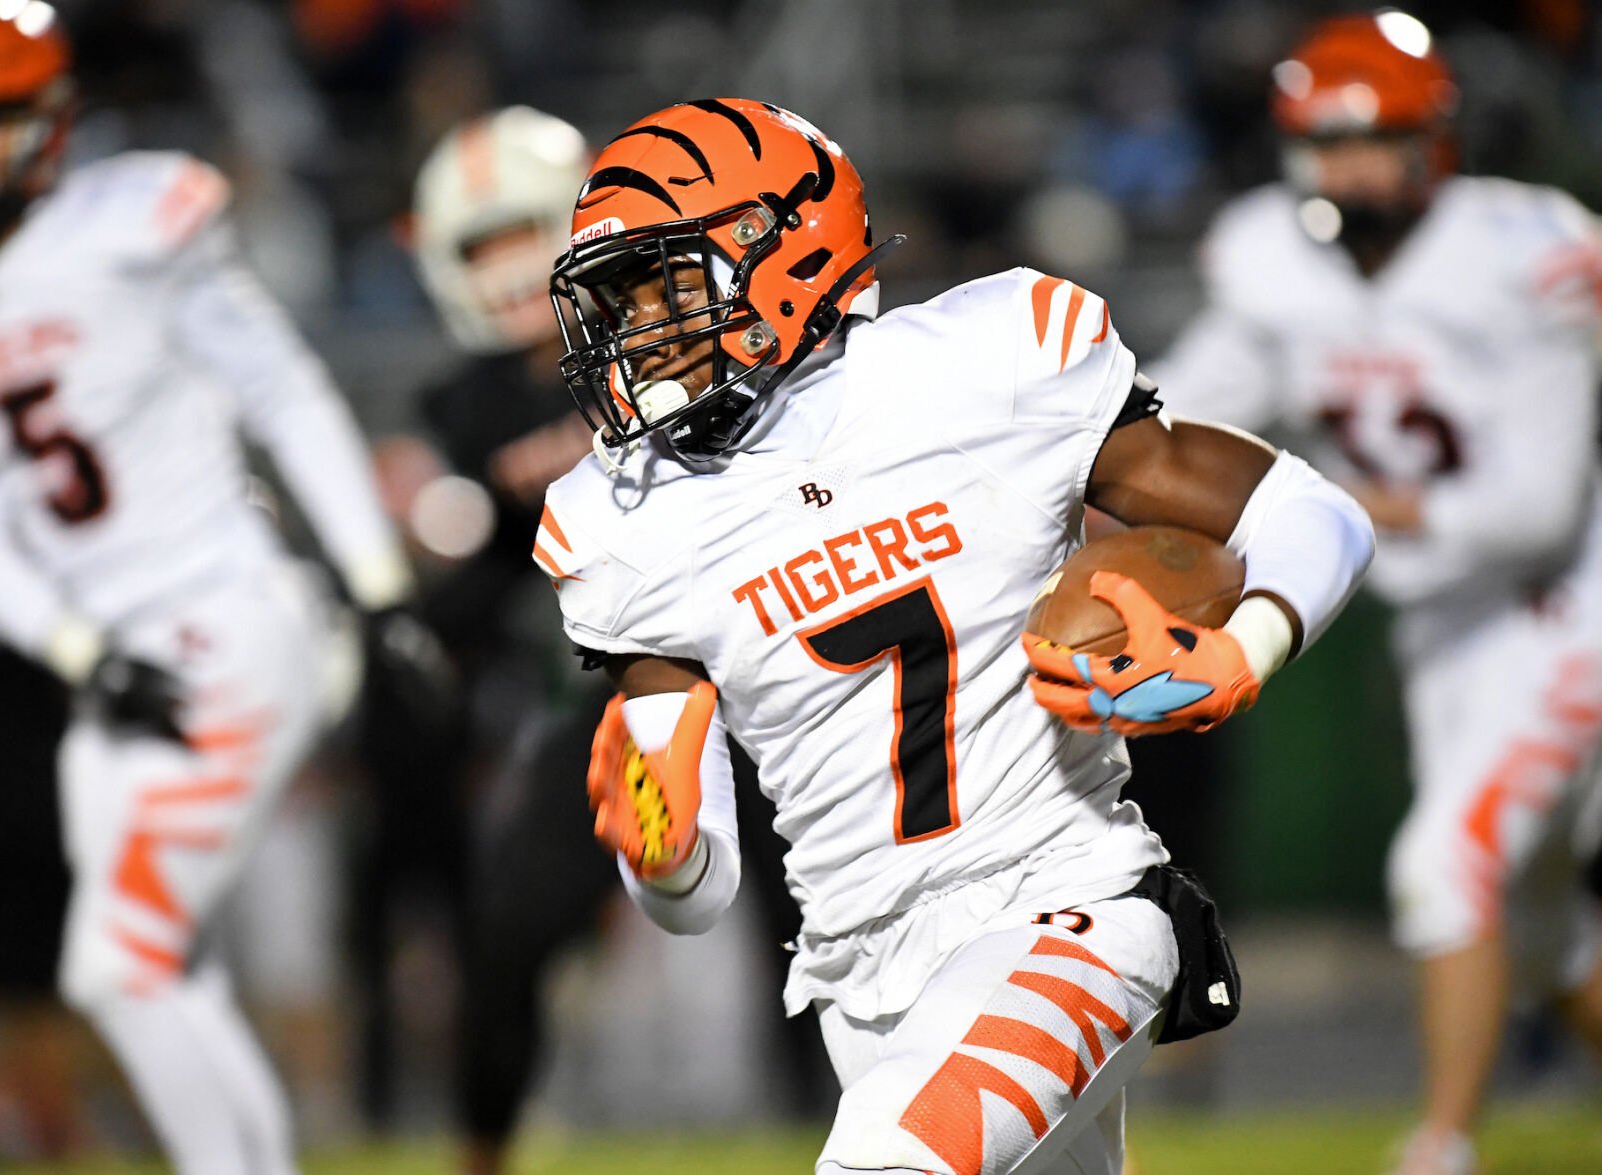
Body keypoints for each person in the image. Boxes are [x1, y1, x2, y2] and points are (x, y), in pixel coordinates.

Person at [533, 96, 1374, 1175]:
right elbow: (695, 898)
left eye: (661, 281)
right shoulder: (621, 517)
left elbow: (1308, 510)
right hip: (860, 982)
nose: (635, 328)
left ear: (778, 251)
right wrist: (661, 849)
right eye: (617, 298)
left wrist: (1244, 645)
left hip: (1065, 908)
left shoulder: (986, 362)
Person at [0, 3, 413, 1173]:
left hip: (228, 611)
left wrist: (373, 580)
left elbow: (284, 392)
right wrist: (73, 648)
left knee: (120, 959)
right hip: (108, 664)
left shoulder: (136, 221)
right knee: (152, 970)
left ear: (48, 126)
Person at [1150, 12, 1602, 1174]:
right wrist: (1107, 456)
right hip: (1438, 626)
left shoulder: (1522, 249)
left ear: (1432, 140)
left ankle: (1438, 1145)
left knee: (1440, 866)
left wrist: (1360, 503)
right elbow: (1192, 402)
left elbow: (1537, 507)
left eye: (1374, 140)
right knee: (1544, 928)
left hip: (1553, 606)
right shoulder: (1270, 260)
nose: (1347, 169)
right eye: (1325, 142)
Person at [404, 105, 830, 1175]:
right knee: (510, 928)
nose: (505, 267)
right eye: (479, 245)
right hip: (634, 677)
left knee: (821, 915)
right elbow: (513, 558)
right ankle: (482, 1152)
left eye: (521, 233)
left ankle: (846, 1132)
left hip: (783, 657)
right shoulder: (468, 405)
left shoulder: (699, 316)